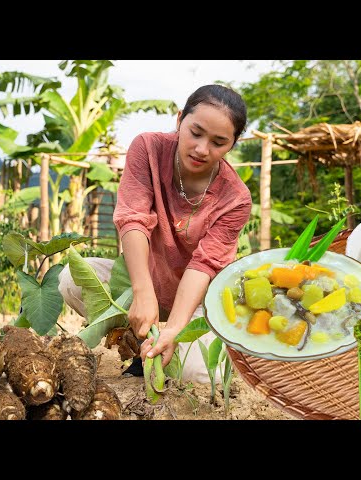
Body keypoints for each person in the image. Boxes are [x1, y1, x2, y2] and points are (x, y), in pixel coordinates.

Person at [58, 84, 252, 383]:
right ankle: (137, 344)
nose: (202, 148)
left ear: (233, 144)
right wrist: (141, 291)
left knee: (198, 373)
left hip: (197, 300)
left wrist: (174, 329)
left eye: (218, 142)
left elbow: (204, 265)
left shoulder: (236, 198)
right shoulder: (148, 149)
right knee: (70, 280)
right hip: (147, 283)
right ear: (179, 120)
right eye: (196, 132)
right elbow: (132, 219)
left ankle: (163, 342)